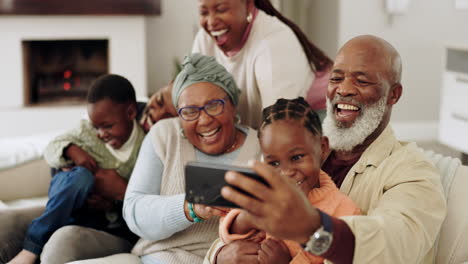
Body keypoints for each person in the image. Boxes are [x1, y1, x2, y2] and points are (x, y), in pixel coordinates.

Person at [209, 35, 447, 263]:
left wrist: (312, 229)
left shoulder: (414, 171)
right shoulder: (295, 145)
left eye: (361, 81)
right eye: (336, 78)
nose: (344, 90)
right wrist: (221, 255)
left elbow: (394, 244)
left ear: (393, 94)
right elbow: (243, 221)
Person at [69, 53, 262, 264]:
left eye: (214, 105)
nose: (205, 120)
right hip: (154, 257)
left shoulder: (260, 149)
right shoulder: (165, 135)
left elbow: (272, 229)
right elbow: (135, 211)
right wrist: (190, 207)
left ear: (233, 104)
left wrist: (216, 256)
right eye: (189, 111)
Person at [7, 74, 145, 264]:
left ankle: (36, 247)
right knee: (81, 176)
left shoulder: (145, 148)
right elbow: (51, 148)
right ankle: (31, 248)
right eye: (97, 127)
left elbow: (145, 198)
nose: (101, 134)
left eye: (108, 126)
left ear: (130, 113)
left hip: (102, 220)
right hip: (71, 196)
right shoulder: (86, 132)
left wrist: (113, 202)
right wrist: (71, 150)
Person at [141, 0, 332, 130]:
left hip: (309, 124)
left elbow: (281, 129)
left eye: (221, 9)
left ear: (248, 5)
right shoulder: (205, 38)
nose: (211, 22)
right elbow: (193, 98)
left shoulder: (273, 43)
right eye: (204, 12)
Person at [216, 97, 360, 264]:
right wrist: (246, 219)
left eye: (297, 157)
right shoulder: (262, 192)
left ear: (322, 148)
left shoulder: (345, 212)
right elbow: (226, 234)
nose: (286, 173)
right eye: (274, 163)